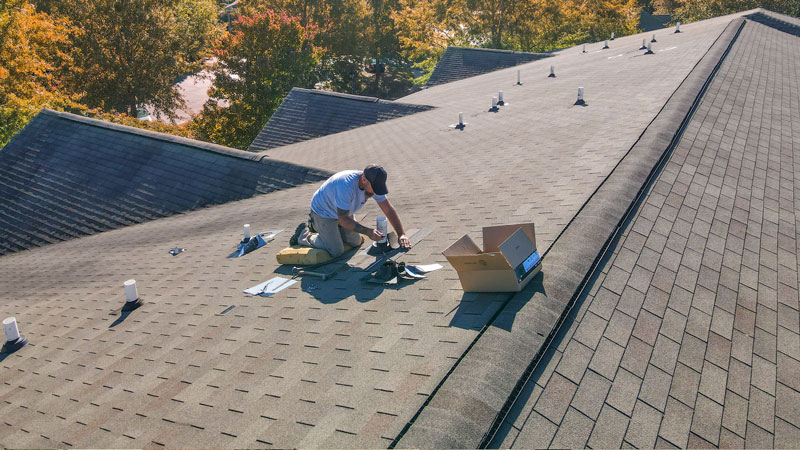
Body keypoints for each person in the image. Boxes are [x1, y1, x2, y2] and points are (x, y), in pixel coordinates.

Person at [290, 165, 410, 257]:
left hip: (343, 213)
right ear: (364, 180)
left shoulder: (373, 183)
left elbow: (388, 209)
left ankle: (333, 232)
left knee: (356, 242)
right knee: (336, 250)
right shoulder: (345, 186)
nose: (376, 192)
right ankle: (304, 233)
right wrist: (368, 231)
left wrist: (401, 234)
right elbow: (343, 220)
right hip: (323, 213)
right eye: (374, 188)